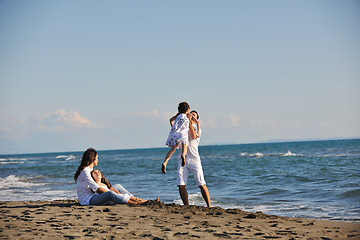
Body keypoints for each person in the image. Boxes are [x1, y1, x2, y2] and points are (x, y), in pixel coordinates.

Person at [74, 148, 150, 205]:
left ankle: (136, 199)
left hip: (94, 195)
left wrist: (115, 191)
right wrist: (114, 193)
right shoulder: (85, 172)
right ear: (92, 159)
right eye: (97, 158)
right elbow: (97, 188)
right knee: (110, 194)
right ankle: (135, 203)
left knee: (117, 186)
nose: (97, 160)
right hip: (88, 199)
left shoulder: (90, 169)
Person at [177, 110, 211, 207]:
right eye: (190, 114)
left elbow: (193, 135)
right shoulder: (183, 127)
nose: (190, 116)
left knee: (201, 183)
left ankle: (209, 206)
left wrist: (191, 122)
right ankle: (186, 206)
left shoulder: (197, 128)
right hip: (182, 158)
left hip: (194, 159)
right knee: (180, 184)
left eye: (193, 115)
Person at [162, 102, 191, 173]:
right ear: (187, 109)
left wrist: (173, 127)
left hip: (175, 133)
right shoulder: (187, 116)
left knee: (173, 149)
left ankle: (165, 162)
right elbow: (188, 124)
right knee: (184, 146)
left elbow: (171, 120)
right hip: (183, 133)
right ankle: (183, 156)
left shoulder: (178, 115)